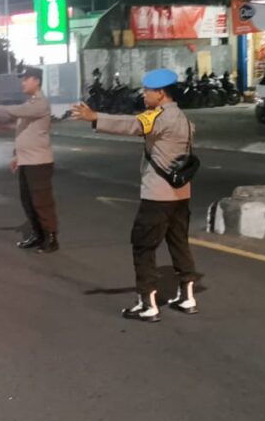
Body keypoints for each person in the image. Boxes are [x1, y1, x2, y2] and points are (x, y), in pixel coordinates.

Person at [71, 68, 198, 322]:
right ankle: (187, 296)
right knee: (179, 244)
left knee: (143, 246)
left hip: (158, 196)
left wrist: (95, 117)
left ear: (161, 94)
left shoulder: (160, 117)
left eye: (148, 91)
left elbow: (133, 124)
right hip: (181, 195)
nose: (144, 95)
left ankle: (147, 303)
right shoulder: (184, 119)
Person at [0, 66, 59, 253]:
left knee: (42, 201)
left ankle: (50, 238)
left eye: (26, 79)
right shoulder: (31, 102)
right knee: (28, 201)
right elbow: (23, 131)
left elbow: (17, 111)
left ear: (37, 81)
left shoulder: (40, 103)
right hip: (27, 160)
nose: (23, 82)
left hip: (39, 162)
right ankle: (37, 234)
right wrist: (17, 155)